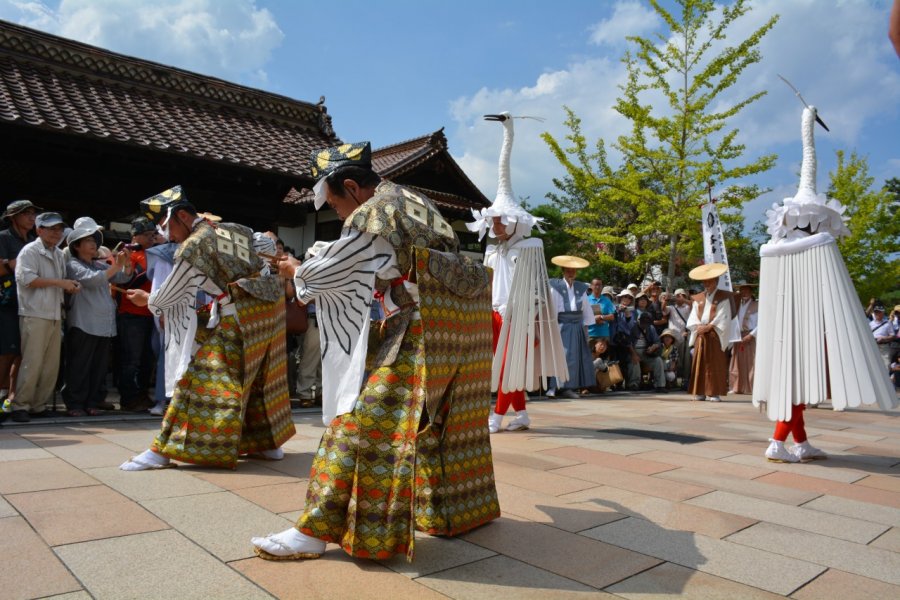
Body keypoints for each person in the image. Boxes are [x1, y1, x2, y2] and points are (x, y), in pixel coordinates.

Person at [251, 141, 499, 561]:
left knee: (359, 423)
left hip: (419, 328)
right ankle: (456, 512)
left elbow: (330, 273)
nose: (338, 213)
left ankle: (316, 528)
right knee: (447, 426)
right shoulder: (415, 199)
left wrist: (295, 269)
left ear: (351, 185)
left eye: (334, 202)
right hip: (457, 328)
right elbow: (395, 264)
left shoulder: (373, 214)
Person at [753, 104, 896, 463]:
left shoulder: (773, 253)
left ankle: (799, 444)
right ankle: (776, 442)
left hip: (788, 328)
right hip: (799, 328)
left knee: (793, 385)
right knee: (795, 387)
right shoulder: (817, 248)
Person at [119, 185, 295, 470]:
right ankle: (267, 443)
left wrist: (147, 299)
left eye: (166, 225)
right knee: (259, 377)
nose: (165, 234)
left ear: (184, 216)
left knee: (199, 379)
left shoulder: (194, 245)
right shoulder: (233, 228)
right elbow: (264, 246)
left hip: (238, 316)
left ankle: (163, 450)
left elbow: (168, 296)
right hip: (266, 314)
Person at [12, 212, 80, 422]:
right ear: (39, 230)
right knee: (32, 362)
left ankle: (38, 405)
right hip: (34, 312)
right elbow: (27, 279)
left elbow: (55, 282)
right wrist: (61, 283)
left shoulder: (59, 253)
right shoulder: (29, 250)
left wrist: (69, 285)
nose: (56, 233)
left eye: (59, 229)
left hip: (53, 313)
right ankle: (20, 405)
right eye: (51, 228)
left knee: (50, 365)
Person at [62, 218, 132, 416]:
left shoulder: (100, 265)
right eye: (88, 240)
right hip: (83, 322)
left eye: (94, 240)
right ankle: (75, 403)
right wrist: (116, 266)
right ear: (76, 246)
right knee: (79, 366)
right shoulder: (73, 265)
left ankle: (92, 401)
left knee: (98, 367)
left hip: (103, 324)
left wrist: (126, 264)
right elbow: (93, 281)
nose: (94, 244)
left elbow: (123, 278)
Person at [115, 217, 159, 412]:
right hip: (130, 313)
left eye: (153, 234)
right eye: (147, 235)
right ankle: (129, 398)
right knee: (131, 359)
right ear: (135, 236)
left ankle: (143, 394)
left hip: (151, 312)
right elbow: (124, 281)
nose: (151, 238)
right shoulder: (126, 253)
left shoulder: (156, 253)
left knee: (147, 359)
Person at [0, 200, 40, 411]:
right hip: (7, 302)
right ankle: (2, 394)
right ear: (13, 217)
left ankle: (11, 398)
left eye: (34, 214)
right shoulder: (3, 238)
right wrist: (13, 264)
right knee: (6, 351)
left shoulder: (35, 240)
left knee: (22, 352)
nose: (32, 218)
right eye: (27, 214)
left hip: (31, 303)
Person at [547, 256, 594, 398]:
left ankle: (569, 387)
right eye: (568, 270)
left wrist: (586, 329)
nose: (571, 272)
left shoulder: (581, 288)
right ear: (563, 271)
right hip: (562, 325)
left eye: (573, 270)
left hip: (577, 326)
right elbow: (553, 308)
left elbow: (586, 309)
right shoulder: (555, 286)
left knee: (574, 358)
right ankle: (554, 386)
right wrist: (553, 328)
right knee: (561, 356)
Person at [686, 262, 732, 402]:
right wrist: (698, 326)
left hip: (714, 334)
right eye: (705, 281)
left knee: (714, 363)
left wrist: (710, 326)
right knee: (700, 362)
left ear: (716, 281)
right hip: (701, 333)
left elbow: (724, 316)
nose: (707, 284)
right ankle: (700, 391)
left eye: (709, 281)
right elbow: (693, 316)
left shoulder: (723, 297)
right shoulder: (698, 298)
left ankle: (714, 392)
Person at [729, 281, 758, 394]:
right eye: (742, 290)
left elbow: (762, 322)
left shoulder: (757, 305)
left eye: (747, 290)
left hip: (750, 335)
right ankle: (736, 387)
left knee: (751, 362)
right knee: (736, 361)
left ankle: (751, 387)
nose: (744, 292)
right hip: (738, 335)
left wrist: (752, 335)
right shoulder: (737, 304)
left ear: (751, 292)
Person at [587, 279, 616, 345]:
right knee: (588, 355)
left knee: (604, 355)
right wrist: (594, 319)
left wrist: (601, 317)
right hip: (589, 334)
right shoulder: (585, 300)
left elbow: (612, 317)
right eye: (596, 285)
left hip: (603, 335)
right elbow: (581, 317)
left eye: (600, 285)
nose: (598, 287)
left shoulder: (607, 300)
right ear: (591, 286)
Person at [870, 302, 897, 372]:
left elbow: (893, 336)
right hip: (873, 346)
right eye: (876, 312)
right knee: (873, 366)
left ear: (882, 313)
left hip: (884, 347)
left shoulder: (888, 323)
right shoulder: (870, 324)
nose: (877, 314)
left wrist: (883, 338)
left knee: (886, 365)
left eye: (879, 312)